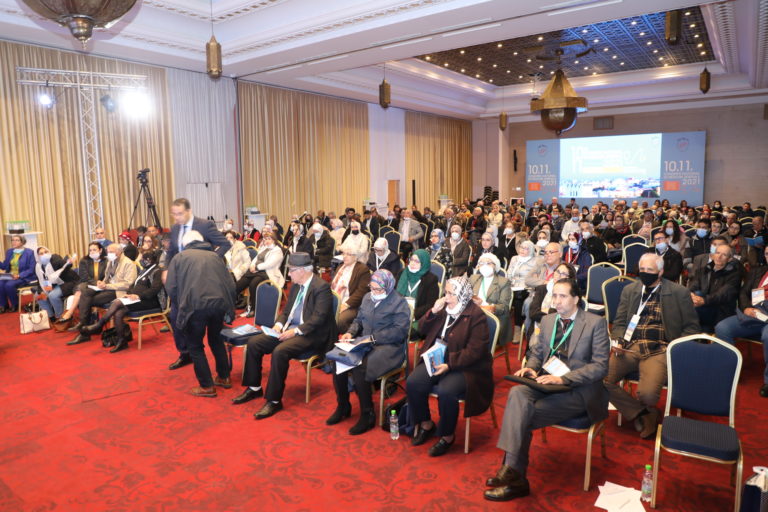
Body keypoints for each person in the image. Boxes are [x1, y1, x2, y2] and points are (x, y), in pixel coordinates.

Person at [485, 278, 609, 501]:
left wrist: (563, 379)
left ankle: (514, 476)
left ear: (576, 299)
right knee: (517, 393)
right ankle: (513, 473)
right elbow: (537, 353)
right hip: (546, 382)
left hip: (578, 390)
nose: (556, 301)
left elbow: (600, 367)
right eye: (554, 296)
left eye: (562, 296)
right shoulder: (549, 320)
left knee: (522, 415)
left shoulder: (595, 323)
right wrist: (531, 368)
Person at [604, 253, 700, 438]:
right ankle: (643, 413)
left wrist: (674, 349)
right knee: (598, 379)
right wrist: (618, 340)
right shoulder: (630, 290)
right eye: (642, 269)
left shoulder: (679, 292)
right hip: (630, 346)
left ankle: (645, 408)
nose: (645, 273)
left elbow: (692, 327)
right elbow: (620, 322)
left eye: (650, 270)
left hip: (660, 348)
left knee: (647, 394)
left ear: (660, 272)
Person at [232, 253, 336, 417]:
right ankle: (254, 388)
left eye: (291, 270)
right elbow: (287, 311)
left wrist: (295, 331)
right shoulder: (296, 285)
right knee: (254, 343)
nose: (289, 274)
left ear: (302, 270)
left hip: (311, 334)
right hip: (290, 330)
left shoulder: (321, 287)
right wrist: (279, 325)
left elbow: (319, 318)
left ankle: (274, 401)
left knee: (280, 351)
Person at [406, 276, 493, 457]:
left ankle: (447, 436)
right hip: (438, 357)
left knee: (446, 391)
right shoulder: (444, 309)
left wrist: (450, 363)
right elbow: (421, 329)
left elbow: (475, 351)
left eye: (451, 294)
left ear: (463, 295)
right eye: (445, 292)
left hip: (465, 365)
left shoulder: (476, 315)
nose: (447, 297)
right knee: (414, 382)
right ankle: (426, 424)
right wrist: (433, 312)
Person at [327, 269, 411, 434]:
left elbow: (399, 332)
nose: (374, 292)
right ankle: (343, 405)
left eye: (378, 289)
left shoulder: (399, 303)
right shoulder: (367, 297)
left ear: (388, 287)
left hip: (389, 347)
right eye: (371, 288)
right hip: (365, 341)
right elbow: (358, 320)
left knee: (361, 367)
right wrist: (350, 332)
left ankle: (368, 414)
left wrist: (373, 338)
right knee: (338, 359)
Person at [164, 198, 231, 370]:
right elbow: (171, 252)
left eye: (180, 214)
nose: (176, 217)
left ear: (189, 211)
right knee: (176, 318)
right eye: (174, 214)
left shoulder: (205, 225)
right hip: (181, 279)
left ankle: (202, 356)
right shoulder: (175, 228)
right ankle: (184, 353)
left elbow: (225, 244)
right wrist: (167, 269)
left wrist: (212, 260)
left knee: (205, 326)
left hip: (203, 281)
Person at [165, 230, 235, 396]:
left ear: (185, 243)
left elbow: (171, 287)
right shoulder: (216, 257)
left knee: (195, 346)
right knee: (216, 341)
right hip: (218, 305)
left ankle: (207, 386)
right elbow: (230, 283)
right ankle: (224, 377)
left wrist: (180, 303)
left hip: (193, 307)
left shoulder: (179, 258)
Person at [81, 249, 163, 353]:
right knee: (119, 313)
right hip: (136, 299)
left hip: (149, 301)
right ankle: (122, 341)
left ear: (149, 260)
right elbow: (133, 285)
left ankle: (99, 325)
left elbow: (154, 290)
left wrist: (138, 296)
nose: (140, 260)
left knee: (117, 302)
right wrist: (128, 294)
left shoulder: (157, 271)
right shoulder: (144, 270)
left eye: (142, 258)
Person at [715, 245, 768, 397]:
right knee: (722, 328)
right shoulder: (757, 271)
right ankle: (730, 371)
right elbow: (743, 292)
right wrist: (745, 308)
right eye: (767, 253)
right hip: (752, 315)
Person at [67, 243, 138, 345]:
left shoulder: (128, 263)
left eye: (111, 252)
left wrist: (107, 286)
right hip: (107, 288)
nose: (109, 254)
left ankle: (84, 331)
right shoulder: (111, 261)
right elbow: (107, 277)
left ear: (119, 252)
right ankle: (83, 326)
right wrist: (102, 283)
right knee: (85, 293)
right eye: (108, 252)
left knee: (87, 301)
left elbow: (128, 285)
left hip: (119, 291)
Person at [688, 243, 740, 331]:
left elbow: (722, 295)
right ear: (713, 255)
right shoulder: (704, 269)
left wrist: (704, 301)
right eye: (717, 253)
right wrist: (691, 294)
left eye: (724, 255)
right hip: (702, 304)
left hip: (720, 309)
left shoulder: (734, 274)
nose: (719, 257)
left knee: (689, 310)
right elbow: (693, 286)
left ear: (730, 259)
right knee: (691, 298)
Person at [236, 232, 285, 317]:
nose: (267, 241)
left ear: (274, 240)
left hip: (268, 273)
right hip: (256, 271)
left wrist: (256, 268)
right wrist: (252, 266)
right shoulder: (263, 248)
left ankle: (254, 309)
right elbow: (255, 259)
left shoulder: (277, 250)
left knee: (253, 284)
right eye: (265, 239)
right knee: (241, 283)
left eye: (269, 239)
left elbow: (269, 264)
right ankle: (230, 304)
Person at [470, 253, 512, 345]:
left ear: (495, 266)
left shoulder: (503, 282)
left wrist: (484, 305)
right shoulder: (473, 278)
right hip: (472, 314)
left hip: (492, 317)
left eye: (488, 263)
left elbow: (504, 307)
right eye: (481, 263)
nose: (485, 266)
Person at [395, 250, 439, 333]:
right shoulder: (402, 273)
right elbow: (393, 294)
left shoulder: (431, 280)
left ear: (423, 263)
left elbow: (430, 304)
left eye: (417, 261)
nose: (412, 263)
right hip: (398, 312)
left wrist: (412, 314)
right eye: (411, 260)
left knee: (398, 331)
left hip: (417, 317)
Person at [332, 248, 371, 333]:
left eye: (348, 254)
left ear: (356, 257)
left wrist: (346, 305)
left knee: (339, 320)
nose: (345, 256)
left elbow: (361, 292)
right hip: (336, 301)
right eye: (344, 254)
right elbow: (333, 286)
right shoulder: (340, 267)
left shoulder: (362, 269)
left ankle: (350, 335)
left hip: (353, 305)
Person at [35, 247, 78, 321]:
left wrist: (69, 262)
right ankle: (51, 317)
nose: (44, 254)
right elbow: (40, 280)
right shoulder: (38, 266)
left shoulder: (54, 258)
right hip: (52, 284)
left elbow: (65, 265)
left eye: (46, 252)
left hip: (67, 282)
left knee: (53, 295)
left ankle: (60, 317)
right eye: (41, 253)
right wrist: (40, 291)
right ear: (37, 256)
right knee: (39, 296)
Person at [507, 240, 540, 328]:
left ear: (531, 250)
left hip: (526, 287)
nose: (522, 250)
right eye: (521, 247)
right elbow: (509, 273)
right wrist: (510, 283)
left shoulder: (535, 261)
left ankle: (518, 326)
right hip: (512, 285)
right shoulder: (514, 258)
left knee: (518, 298)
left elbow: (534, 278)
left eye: (526, 248)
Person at [0, 234, 36, 313]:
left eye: (17, 240)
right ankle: (3, 305)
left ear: (22, 242)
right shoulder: (9, 251)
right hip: (10, 275)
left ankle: (14, 304)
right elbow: (4, 266)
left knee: (9, 285)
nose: (14, 242)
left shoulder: (29, 252)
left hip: (23, 276)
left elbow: (31, 269)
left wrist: (19, 275)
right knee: (0, 283)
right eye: (13, 240)